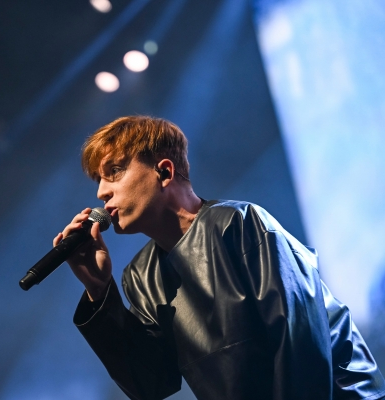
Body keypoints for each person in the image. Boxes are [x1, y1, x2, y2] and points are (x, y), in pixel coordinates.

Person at [53, 116, 385, 400]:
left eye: (114, 171)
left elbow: (302, 348)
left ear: (164, 172)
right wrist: (100, 290)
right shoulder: (141, 276)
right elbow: (152, 383)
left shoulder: (242, 225)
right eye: (99, 180)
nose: (101, 192)